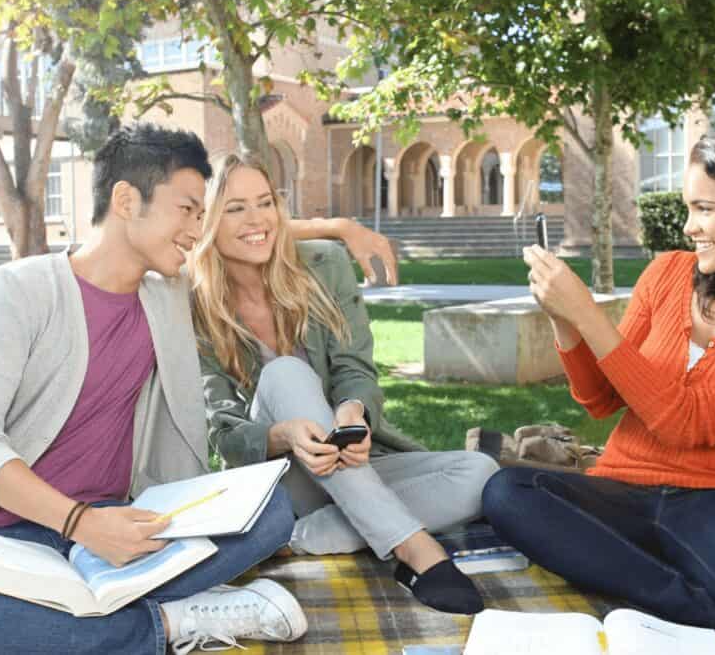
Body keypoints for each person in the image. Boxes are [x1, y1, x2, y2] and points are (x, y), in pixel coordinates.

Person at [0, 122, 403, 655]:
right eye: (187, 210)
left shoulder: (170, 294)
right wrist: (81, 522)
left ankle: (62, 624)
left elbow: (246, 229)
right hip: (3, 534)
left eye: (203, 215)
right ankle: (169, 623)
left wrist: (341, 227)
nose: (197, 229)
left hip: (134, 527)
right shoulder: (18, 291)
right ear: (126, 200)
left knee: (271, 512)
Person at [482, 129, 715, 655]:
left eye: (705, 208)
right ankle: (695, 609)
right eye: (689, 208)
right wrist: (564, 320)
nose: (690, 226)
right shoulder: (667, 274)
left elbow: (685, 420)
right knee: (509, 492)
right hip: (619, 492)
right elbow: (601, 399)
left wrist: (588, 314)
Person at [190, 153, 499, 615]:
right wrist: (283, 435)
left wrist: (353, 411)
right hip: (279, 479)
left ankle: (297, 537)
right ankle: (414, 549)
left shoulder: (324, 265)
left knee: (480, 474)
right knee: (285, 372)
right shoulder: (194, 303)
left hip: (351, 468)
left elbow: (356, 368)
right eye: (235, 208)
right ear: (207, 220)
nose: (257, 220)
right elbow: (223, 432)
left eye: (265, 202)